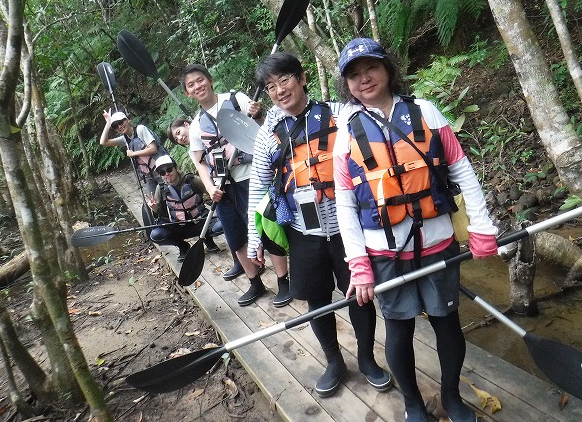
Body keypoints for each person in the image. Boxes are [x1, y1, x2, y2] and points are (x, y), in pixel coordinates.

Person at [333, 38, 498, 422]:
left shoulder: (426, 112)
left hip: (438, 242)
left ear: (387, 68)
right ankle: (412, 404)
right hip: (385, 252)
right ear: (347, 85)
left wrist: (481, 228)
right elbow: (345, 204)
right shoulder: (346, 132)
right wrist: (358, 263)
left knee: (447, 323)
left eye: (371, 68)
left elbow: (462, 171)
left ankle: (452, 397)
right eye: (354, 75)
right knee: (399, 330)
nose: (364, 78)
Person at [247, 52, 392, 398]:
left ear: (302, 78)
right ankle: (334, 362)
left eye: (285, 80)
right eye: (271, 86)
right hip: (302, 231)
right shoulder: (268, 135)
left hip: (348, 228)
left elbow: (376, 124)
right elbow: (257, 185)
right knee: (316, 299)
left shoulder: (340, 114)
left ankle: (367, 359)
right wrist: (254, 237)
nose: (280, 90)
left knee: (359, 295)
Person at [182, 64, 292, 307]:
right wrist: (209, 188)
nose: (197, 86)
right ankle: (255, 283)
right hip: (223, 187)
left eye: (200, 80)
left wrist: (258, 115)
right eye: (191, 85)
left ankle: (283, 281)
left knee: (267, 229)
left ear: (210, 80)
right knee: (235, 237)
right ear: (188, 93)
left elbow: (264, 130)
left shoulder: (236, 100)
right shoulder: (197, 125)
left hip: (252, 177)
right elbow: (200, 162)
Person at [145, 155, 221, 261]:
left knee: (222, 225)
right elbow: (161, 216)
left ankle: (207, 238)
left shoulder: (193, 180)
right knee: (156, 235)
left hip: (202, 222)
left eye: (169, 169)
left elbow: (212, 192)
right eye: (162, 172)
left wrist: (215, 192)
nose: (167, 174)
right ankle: (183, 246)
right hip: (179, 226)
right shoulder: (161, 189)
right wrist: (154, 208)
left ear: (176, 168)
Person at [99, 110, 168, 196]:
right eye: (115, 126)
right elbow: (103, 142)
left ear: (128, 120)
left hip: (161, 168)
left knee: (169, 194)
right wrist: (108, 123)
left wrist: (133, 153)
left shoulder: (141, 129)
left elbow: (153, 149)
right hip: (147, 174)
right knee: (154, 201)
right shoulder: (125, 139)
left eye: (120, 122)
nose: (119, 126)